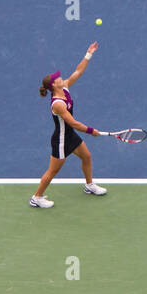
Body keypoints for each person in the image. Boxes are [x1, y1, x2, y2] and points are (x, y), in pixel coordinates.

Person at [30, 42, 107, 208]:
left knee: (87, 157)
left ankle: (89, 185)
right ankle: (36, 197)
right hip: (61, 140)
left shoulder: (64, 86)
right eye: (57, 78)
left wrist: (88, 54)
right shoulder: (57, 103)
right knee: (53, 171)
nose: (60, 77)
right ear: (53, 85)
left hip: (70, 135)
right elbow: (72, 123)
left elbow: (78, 71)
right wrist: (91, 131)